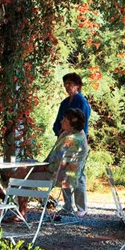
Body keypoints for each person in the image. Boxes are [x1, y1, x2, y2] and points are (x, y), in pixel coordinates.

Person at [51, 73, 91, 217]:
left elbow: (82, 124)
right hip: (64, 139)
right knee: (63, 172)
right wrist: (60, 130)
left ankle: (82, 206)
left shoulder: (82, 102)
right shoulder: (64, 103)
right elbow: (57, 122)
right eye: (65, 83)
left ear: (77, 86)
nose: (67, 86)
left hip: (77, 142)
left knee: (77, 173)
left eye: (70, 83)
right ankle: (68, 206)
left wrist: (73, 135)